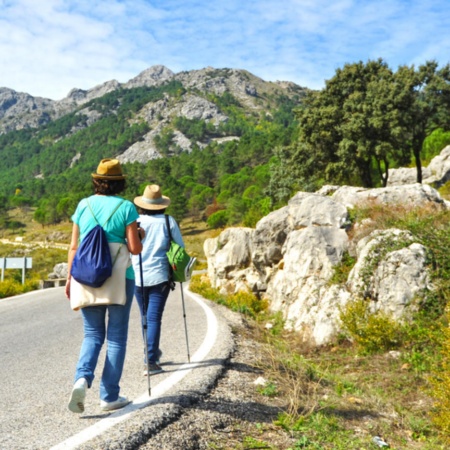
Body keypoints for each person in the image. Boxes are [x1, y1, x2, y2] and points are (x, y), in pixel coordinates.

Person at [65, 158, 143, 414]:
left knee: (92, 335)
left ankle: (81, 379)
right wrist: (140, 235)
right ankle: (109, 396)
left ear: (97, 181)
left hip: (86, 275)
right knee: (117, 338)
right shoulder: (127, 207)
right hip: (120, 278)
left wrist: (68, 279)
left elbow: (74, 247)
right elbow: (134, 249)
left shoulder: (83, 205)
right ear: (120, 183)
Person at [131, 184, 184, 376]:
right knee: (153, 318)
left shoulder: (135, 221)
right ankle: (151, 361)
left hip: (137, 276)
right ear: (162, 204)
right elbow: (180, 247)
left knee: (144, 317)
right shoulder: (168, 221)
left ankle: (150, 354)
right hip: (160, 276)